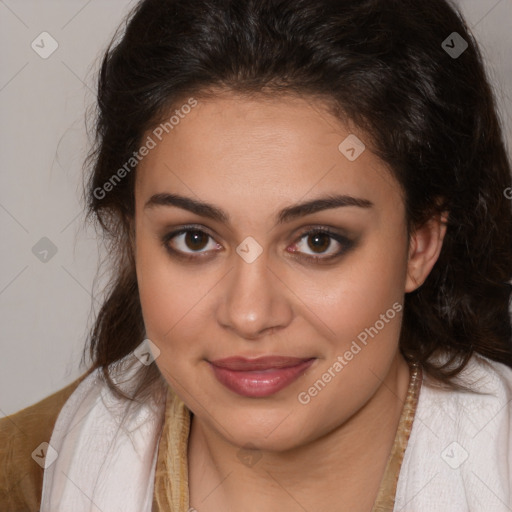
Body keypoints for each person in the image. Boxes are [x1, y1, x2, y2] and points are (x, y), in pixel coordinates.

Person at [1, 0, 512, 510]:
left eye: (318, 241)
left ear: (419, 244)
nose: (249, 315)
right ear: (134, 236)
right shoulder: (18, 478)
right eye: (194, 239)